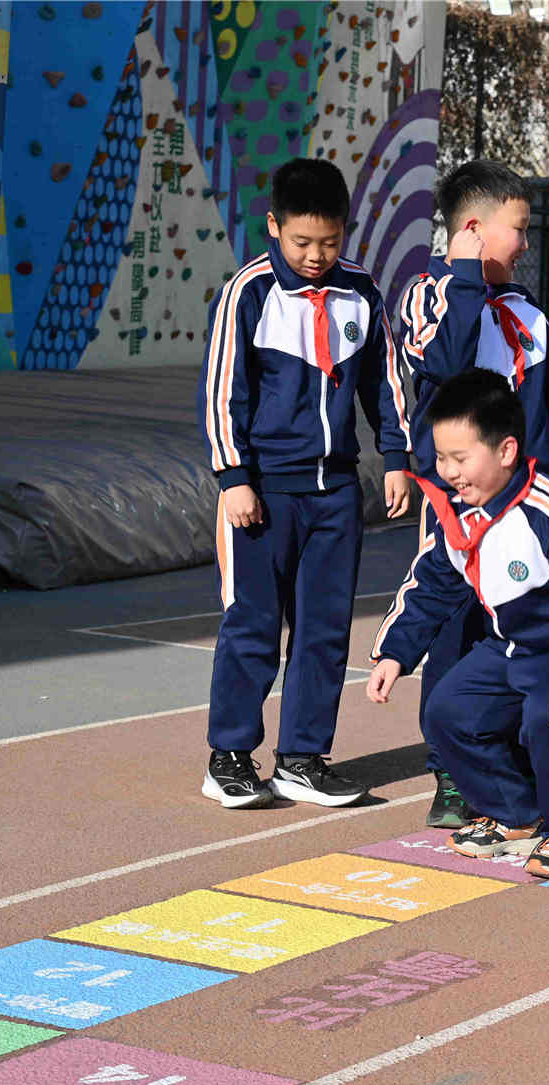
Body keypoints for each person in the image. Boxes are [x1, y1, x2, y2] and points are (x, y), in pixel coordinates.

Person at [197, 157, 415, 810]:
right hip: (263, 492)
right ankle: (230, 755)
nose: (316, 256)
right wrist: (234, 477)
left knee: (324, 627)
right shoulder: (250, 293)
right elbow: (222, 392)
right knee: (254, 623)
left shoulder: (361, 291)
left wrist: (397, 456)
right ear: (274, 227)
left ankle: (302, 757)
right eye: (302, 242)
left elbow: (385, 382)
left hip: (336, 492)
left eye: (329, 241)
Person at [391, 159, 549, 830]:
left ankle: (520, 761)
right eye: (518, 229)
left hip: (536, 505)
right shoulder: (430, 294)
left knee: (530, 628)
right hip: (465, 507)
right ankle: (454, 774)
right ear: (475, 230)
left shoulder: (528, 312)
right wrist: (463, 273)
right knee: (457, 627)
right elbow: (444, 363)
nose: (526, 243)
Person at [367, 371, 549, 881]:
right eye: (441, 458)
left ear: (506, 450)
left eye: (461, 458)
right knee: (448, 710)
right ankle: (515, 813)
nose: (449, 472)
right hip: (514, 641)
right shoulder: (457, 513)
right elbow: (430, 584)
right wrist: (394, 653)